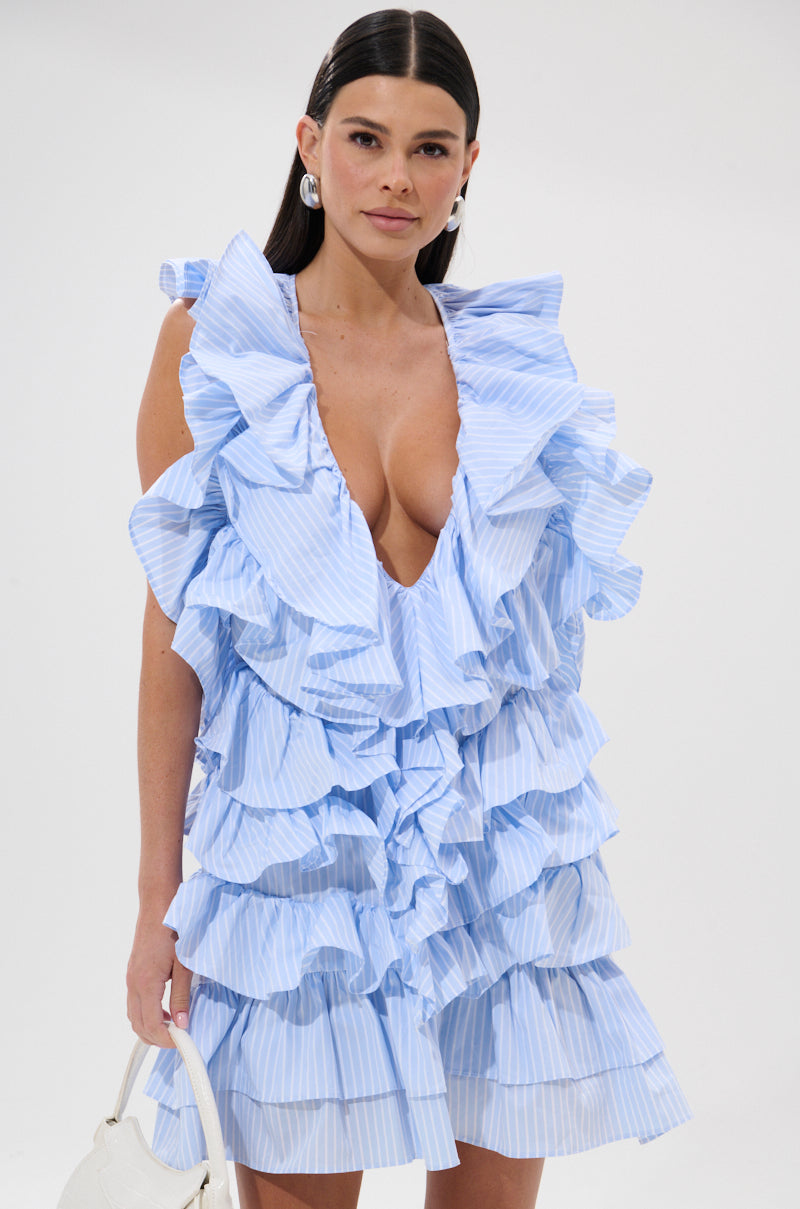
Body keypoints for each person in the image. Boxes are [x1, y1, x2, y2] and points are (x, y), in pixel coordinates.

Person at [126, 9, 692, 1208]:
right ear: (307, 144)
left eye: (432, 148)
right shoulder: (219, 348)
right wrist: (154, 901)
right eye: (365, 138)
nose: (395, 176)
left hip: (492, 867)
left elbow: (537, 658)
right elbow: (174, 642)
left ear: (468, 168)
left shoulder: (508, 365)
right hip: (298, 880)